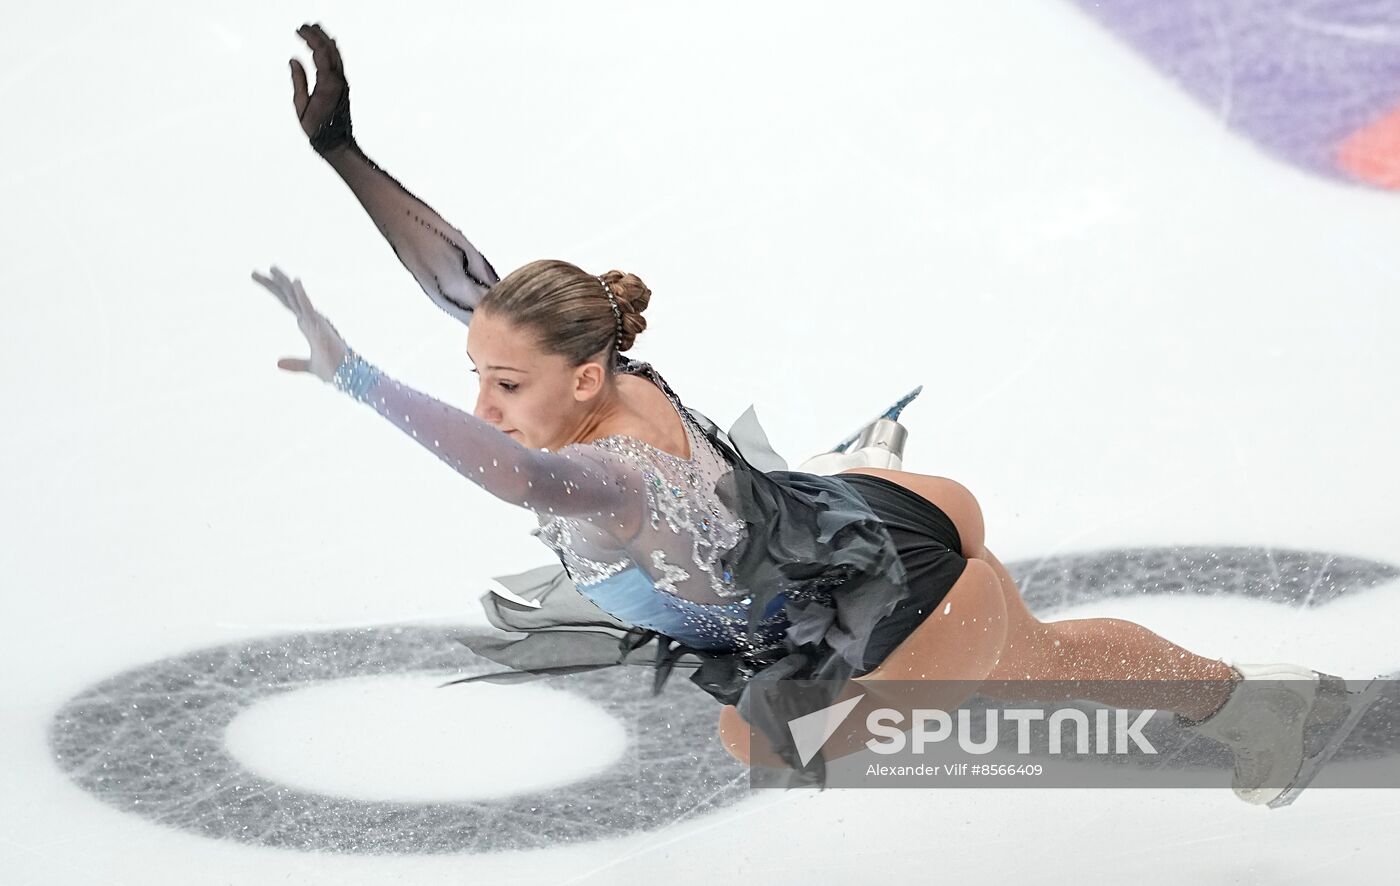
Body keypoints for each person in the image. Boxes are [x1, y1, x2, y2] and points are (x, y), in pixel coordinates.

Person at [255, 22, 1364, 806]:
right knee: (996, 646)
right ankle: (848, 466)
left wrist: (356, 379)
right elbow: (466, 283)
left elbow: (514, 479)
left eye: (503, 386)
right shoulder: (592, 351)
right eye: (476, 380)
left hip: (888, 608)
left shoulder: (611, 472)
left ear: (583, 379)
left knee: (777, 744)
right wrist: (344, 153)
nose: (487, 405)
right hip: (858, 514)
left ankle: (1259, 708)